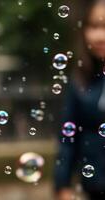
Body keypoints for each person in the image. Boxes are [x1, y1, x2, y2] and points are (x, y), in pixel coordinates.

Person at [54, 1, 105, 200]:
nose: (99, 36)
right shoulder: (81, 81)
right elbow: (68, 137)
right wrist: (62, 184)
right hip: (95, 187)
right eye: (93, 26)